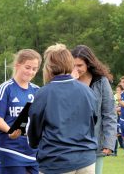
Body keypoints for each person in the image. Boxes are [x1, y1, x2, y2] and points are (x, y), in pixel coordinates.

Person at [28, 43, 98, 174]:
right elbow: (93, 121)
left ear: (48, 67)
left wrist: (33, 143)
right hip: (86, 159)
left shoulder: (44, 93)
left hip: (56, 160)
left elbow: (34, 128)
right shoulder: (86, 91)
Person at [0, 49, 42, 174]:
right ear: (17, 65)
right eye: (27, 67)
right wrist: (10, 131)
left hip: (33, 153)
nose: (30, 72)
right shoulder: (6, 88)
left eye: (34, 69)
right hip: (10, 151)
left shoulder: (37, 90)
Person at [71, 45, 117, 174]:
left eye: (79, 65)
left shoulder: (101, 82)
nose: (76, 69)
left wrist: (109, 142)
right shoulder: (66, 82)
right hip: (70, 144)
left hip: (95, 144)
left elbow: (109, 113)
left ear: (88, 64)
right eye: (73, 65)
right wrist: (70, 83)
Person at [114, 84, 124, 155]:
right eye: (117, 90)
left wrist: (118, 108)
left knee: (121, 134)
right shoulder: (115, 96)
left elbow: (123, 106)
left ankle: (123, 147)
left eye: (119, 90)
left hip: (123, 117)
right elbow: (113, 105)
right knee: (116, 133)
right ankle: (114, 151)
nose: (118, 91)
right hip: (116, 117)